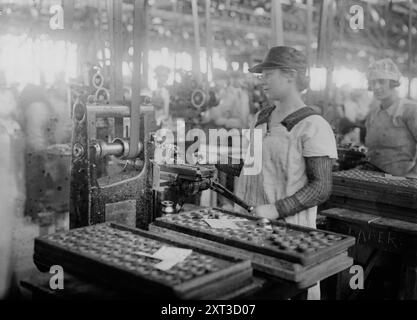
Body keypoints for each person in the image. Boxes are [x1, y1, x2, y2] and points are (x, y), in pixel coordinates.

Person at [235, 46, 338, 300]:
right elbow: (254, 166)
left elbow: (321, 187)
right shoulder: (261, 117)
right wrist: (213, 166)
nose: (262, 81)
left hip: (290, 238)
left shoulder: (313, 126)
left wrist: (276, 209)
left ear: (290, 76)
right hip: (252, 229)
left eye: (268, 74)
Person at [365, 58, 417, 178]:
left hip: (401, 179)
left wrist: (413, 175)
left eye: (381, 81)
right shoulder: (373, 114)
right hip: (374, 176)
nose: (376, 87)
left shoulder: (409, 111)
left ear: (393, 83)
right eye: (373, 82)